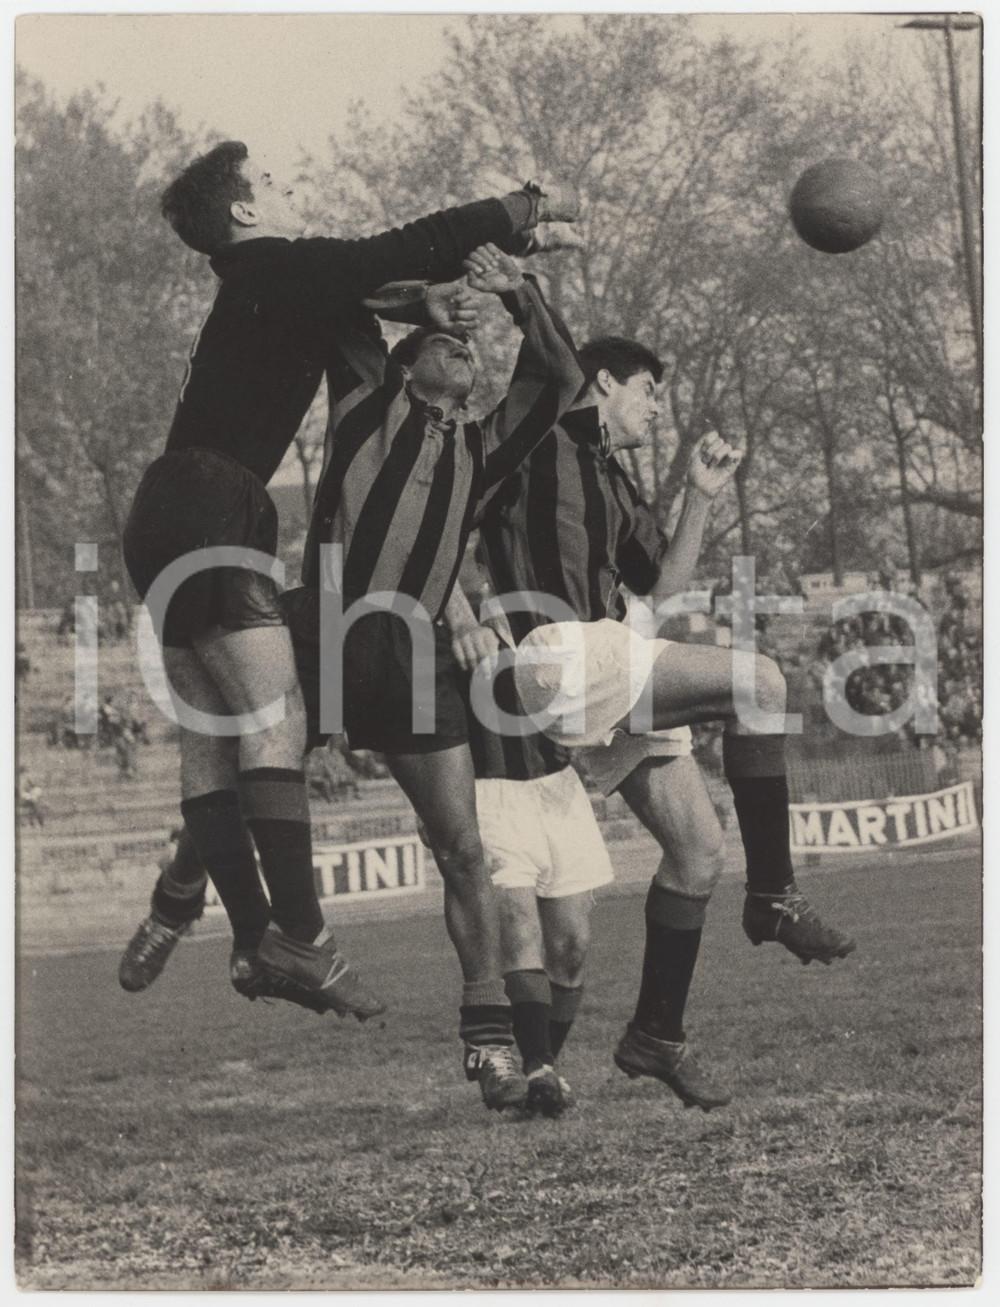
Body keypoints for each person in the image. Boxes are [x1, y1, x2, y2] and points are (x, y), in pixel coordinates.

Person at [118, 139, 576, 1025]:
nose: (295, 188)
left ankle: (249, 932)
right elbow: (399, 251)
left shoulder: (275, 291)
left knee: (219, 737)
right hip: (238, 523)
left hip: (175, 509)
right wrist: (527, 213)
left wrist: (489, 288)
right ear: (248, 212)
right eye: (280, 182)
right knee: (273, 721)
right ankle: (292, 934)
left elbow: (389, 292)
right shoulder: (332, 335)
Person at [466, 336, 855, 1111]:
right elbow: (462, 510)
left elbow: (663, 581)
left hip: (607, 661)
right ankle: (775, 894)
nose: (656, 405)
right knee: (761, 681)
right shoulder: (536, 436)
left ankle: (656, 1034)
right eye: (647, 389)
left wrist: (703, 494)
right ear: (601, 381)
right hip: (558, 649)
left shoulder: (611, 475)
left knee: (700, 852)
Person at [444, 569, 612, 1117]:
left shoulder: (544, 589)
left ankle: (543, 1071)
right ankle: (536, 1065)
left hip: (556, 789)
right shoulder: (443, 595)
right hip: (487, 790)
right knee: (517, 924)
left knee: (571, 947)